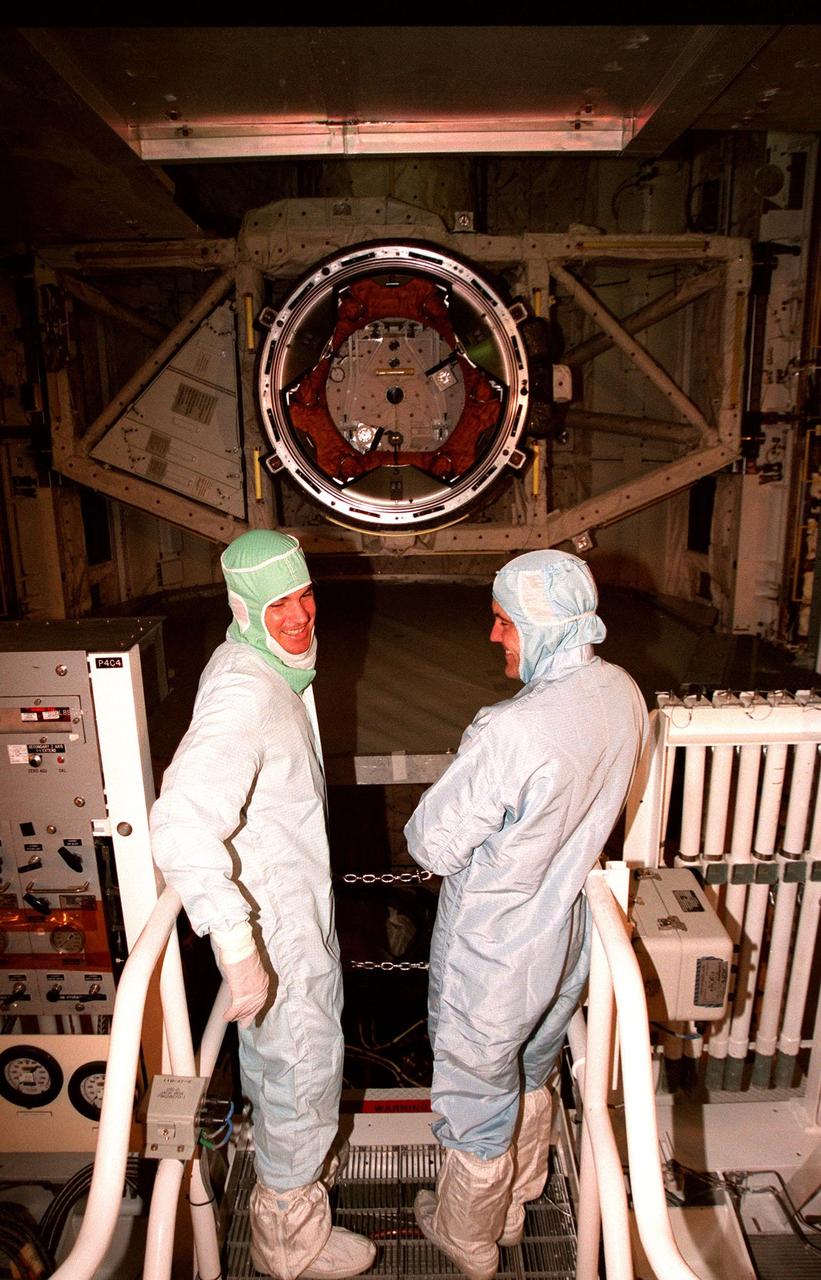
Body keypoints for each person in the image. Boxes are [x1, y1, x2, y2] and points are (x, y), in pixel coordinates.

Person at [404, 549, 648, 1280]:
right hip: (564, 939)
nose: (493, 636)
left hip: (493, 955)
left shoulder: (511, 730)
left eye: (503, 620)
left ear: (539, 624)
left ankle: (468, 1239)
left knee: (476, 1095)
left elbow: (430, 845)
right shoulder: (622, 692)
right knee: (534, 1073)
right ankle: (515, 1202)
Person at [150, 529, 375, 1280]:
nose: (298, 614)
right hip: (272, 926)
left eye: (305, 595)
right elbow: (179, 820)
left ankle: (297, 1188)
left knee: (298, 1072)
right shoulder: (247, 690)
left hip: (288, 909)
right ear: (243, 607)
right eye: (277, 602)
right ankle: (290, 1244)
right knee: (298, 1072)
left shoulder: (270, 668)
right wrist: (238, 948)